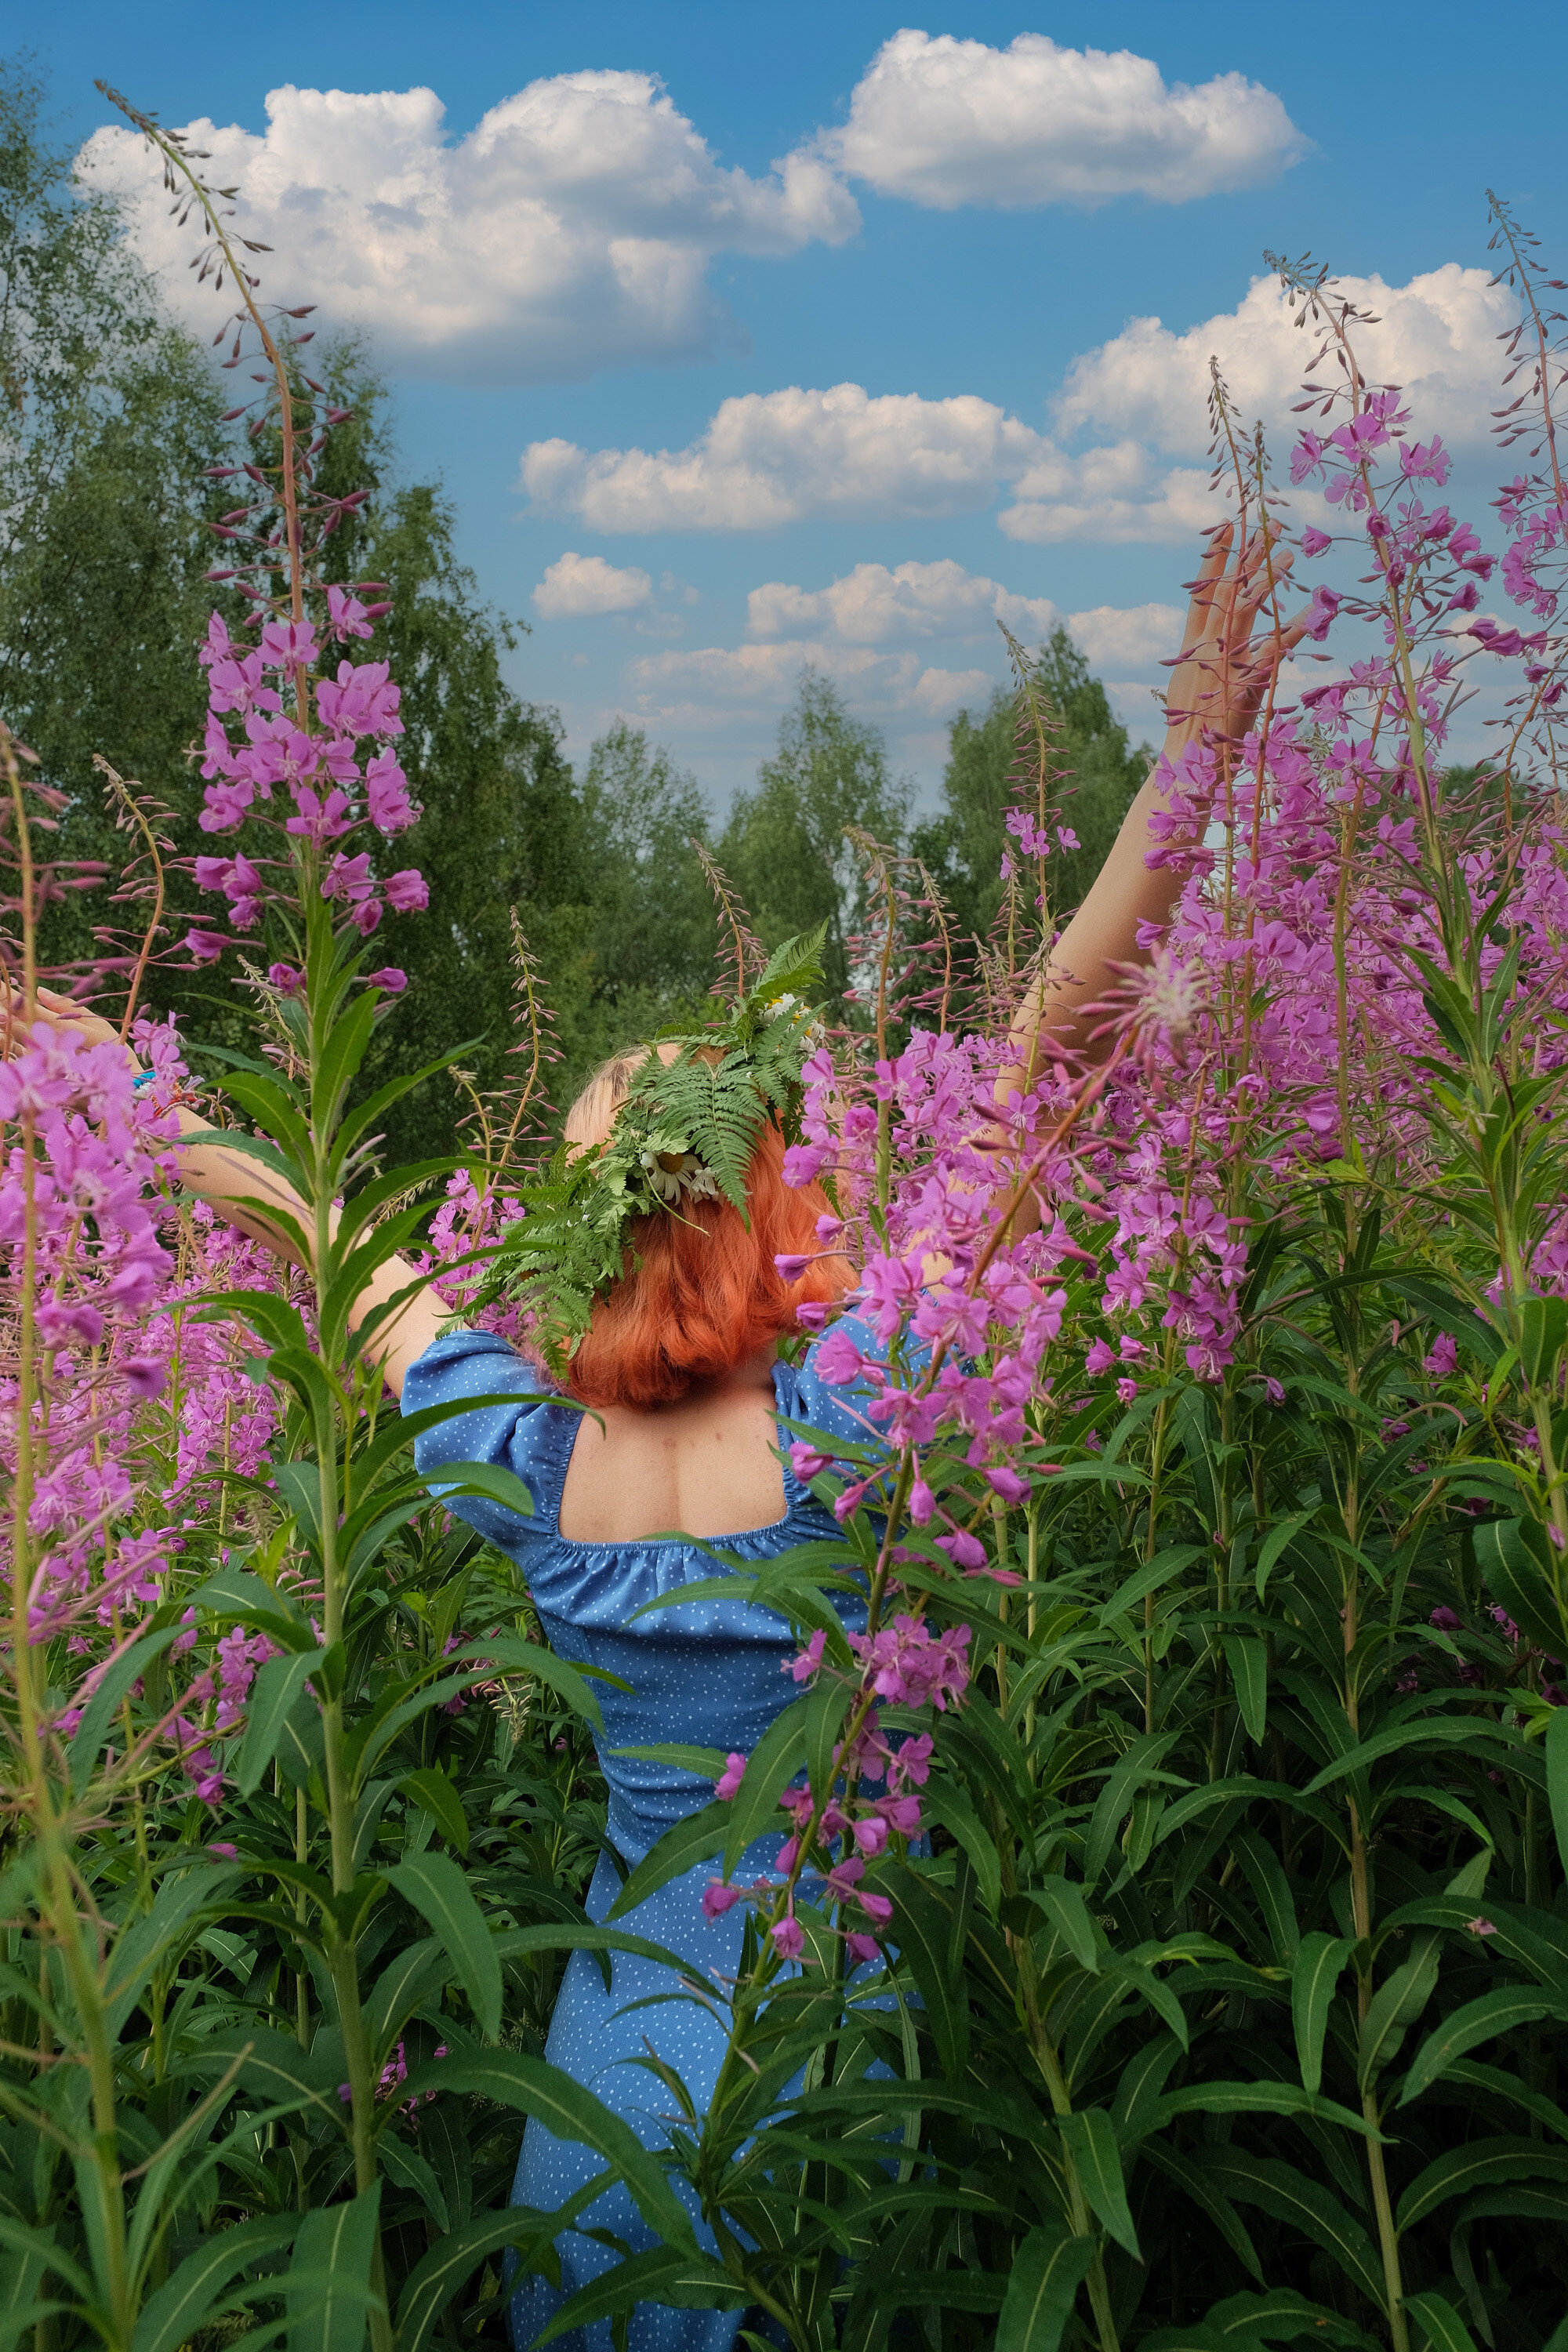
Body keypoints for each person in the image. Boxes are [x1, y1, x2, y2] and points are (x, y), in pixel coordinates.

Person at [11, 524, 1304, 2351]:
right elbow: (1049, 1055)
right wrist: (1190, 768)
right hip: (814, 2085)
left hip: (602, 2096)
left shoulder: (531, 1469)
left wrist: (118, 1083)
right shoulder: (859, 1412)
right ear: (766, 1206)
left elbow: (320, 1233)